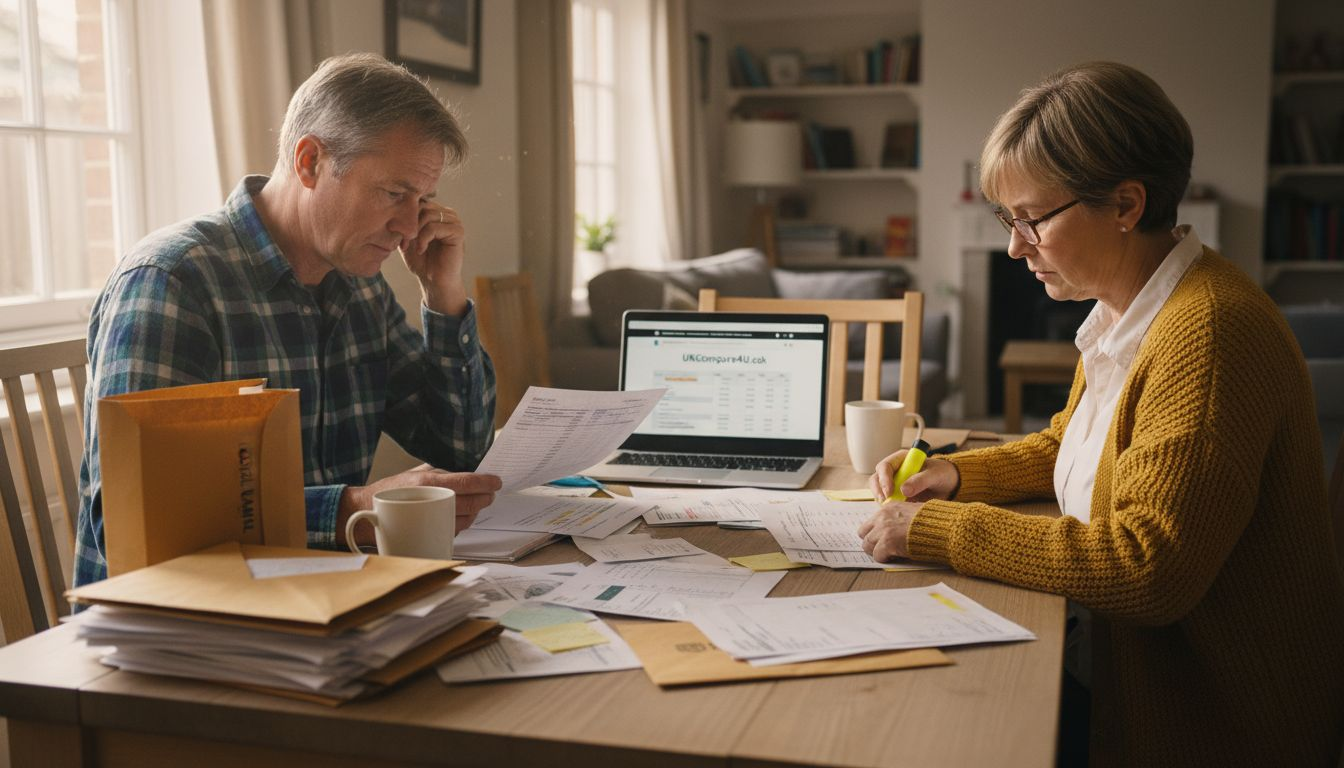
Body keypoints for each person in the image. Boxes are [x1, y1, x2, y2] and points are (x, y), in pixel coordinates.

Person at [857, 62, 1344, 766]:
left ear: (1125, 205)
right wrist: (957, 475)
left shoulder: (1208, 333)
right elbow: (1075, 444)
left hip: (1203, 718)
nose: (1014, 245)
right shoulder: (1132, 307)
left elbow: (1147, 569)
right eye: (1007, 219)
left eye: (1032, 219)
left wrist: (938, 529)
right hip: (1118, 666)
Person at [74, 53, 501, 586]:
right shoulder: (174, 282)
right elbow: (133, 523)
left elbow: (460, 450)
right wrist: (349, 510)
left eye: (423, 200)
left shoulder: (360, 288)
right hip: (177, 616)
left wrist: (444, 295)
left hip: (325, 594)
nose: (411, 227)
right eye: (394, 193)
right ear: (310, 161)